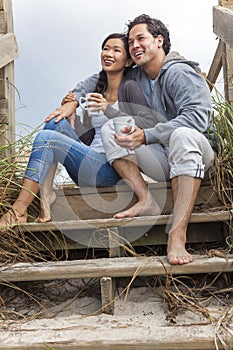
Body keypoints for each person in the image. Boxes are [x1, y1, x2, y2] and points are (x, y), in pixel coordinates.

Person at [56, 15, 215, 266]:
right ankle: (146, 200)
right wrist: (73, 100)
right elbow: (97, 78)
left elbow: (197, 119)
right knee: (112, 128)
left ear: (159, 41)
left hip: (196, 157)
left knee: (182, 135)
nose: (134, 46)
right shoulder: (138, 75)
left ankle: (176, 234)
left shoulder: (180, 72)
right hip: (163, 158)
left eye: (141, 38)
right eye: (131, 42)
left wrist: (148, 135)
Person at [0, 32, 158, 227]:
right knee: (54, 124)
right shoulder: (97, 90)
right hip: (89, 162)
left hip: (111, 168)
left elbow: (148, 122)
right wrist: (74, 120)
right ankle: (46, 195)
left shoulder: (130, 87)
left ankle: (19, 210)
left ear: (127, 62)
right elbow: (88, 139)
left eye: (116, 50)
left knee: (47, 137)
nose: (108, 53)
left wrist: (107, 110)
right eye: (105, 48)